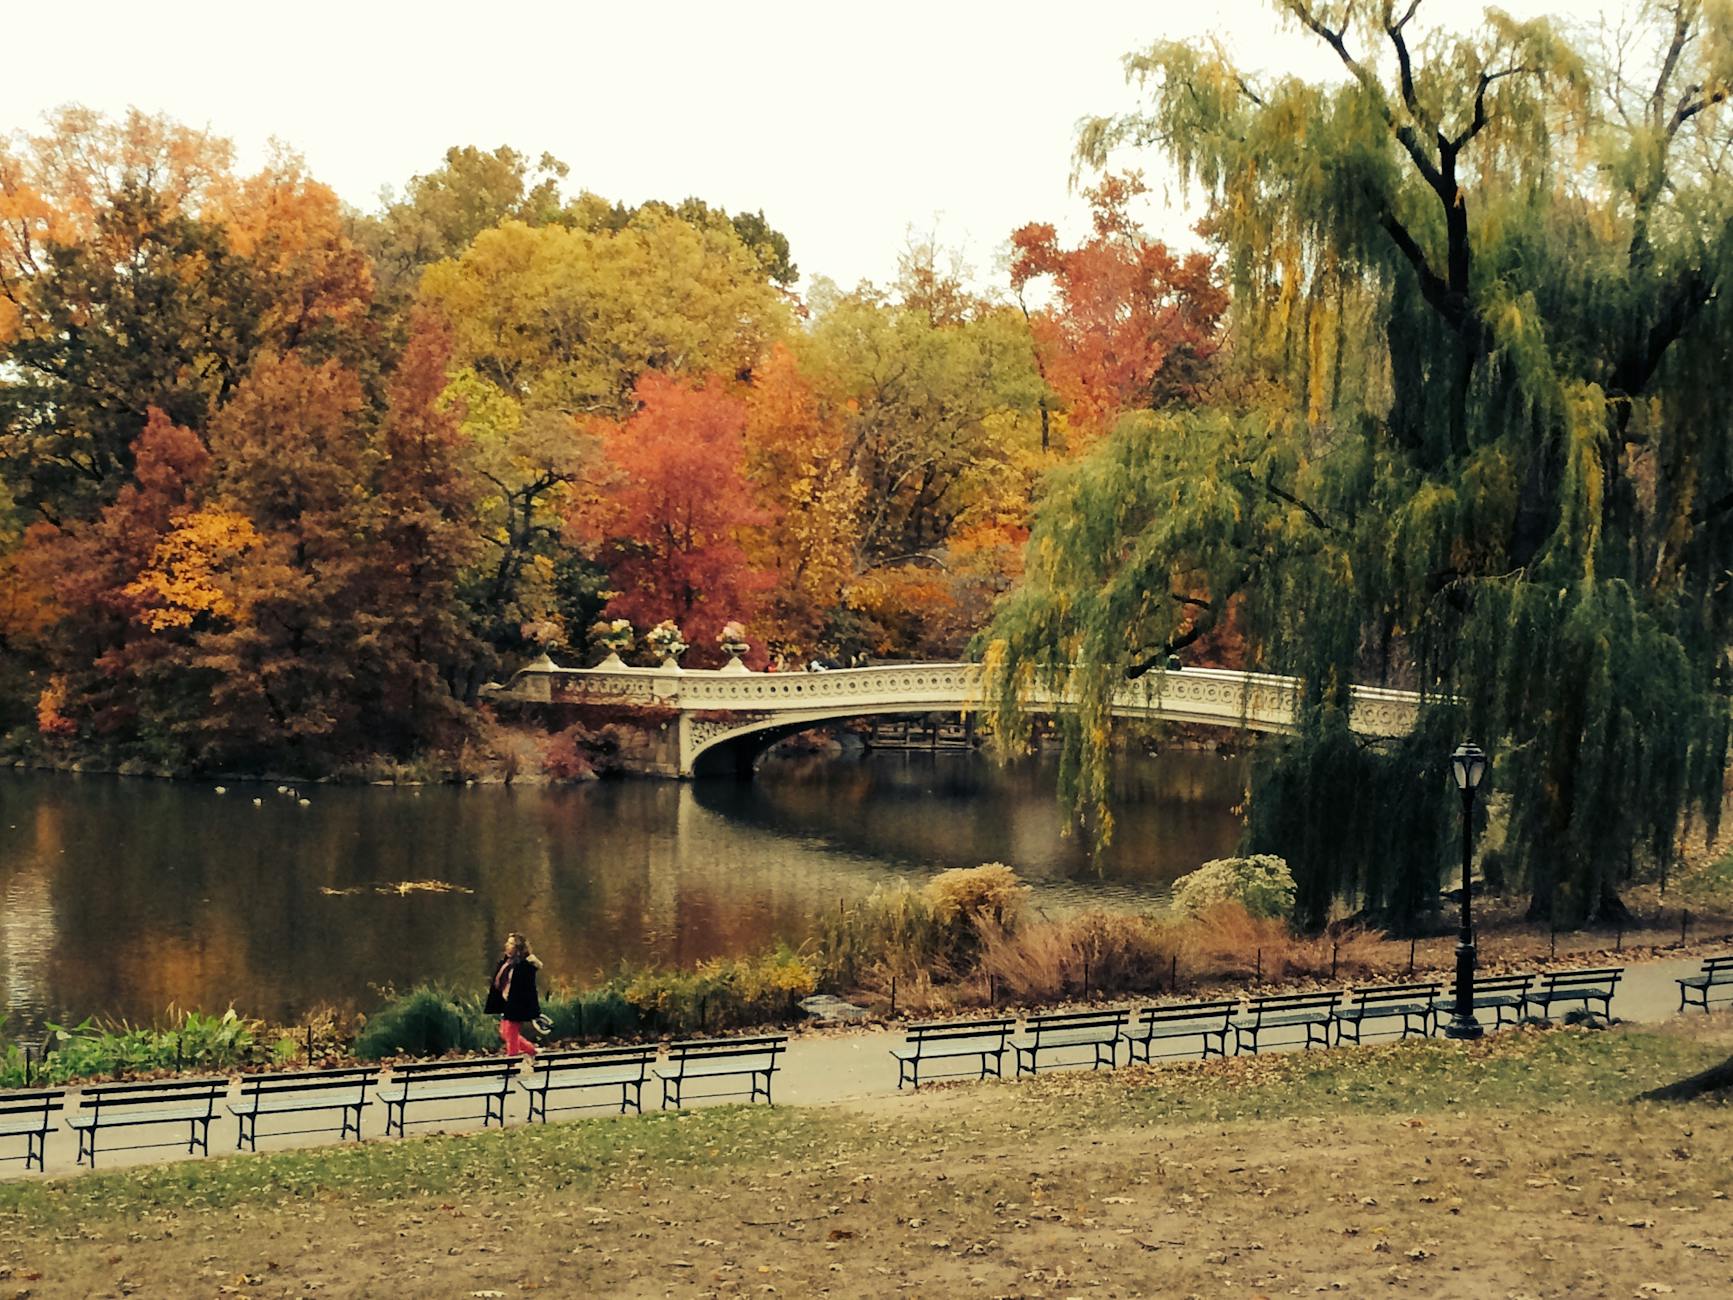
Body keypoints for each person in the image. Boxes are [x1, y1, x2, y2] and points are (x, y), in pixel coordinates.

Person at [485, 932, 542, 1057]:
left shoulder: (524, 966)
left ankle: (512, 1063)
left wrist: (533, 1011)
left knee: (511, 1035)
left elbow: (530, 989)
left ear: (518, 948)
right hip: (507, 1003)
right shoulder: (506, 962)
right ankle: (531, 1050)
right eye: (508, 942)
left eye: (511, 943)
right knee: (504, 1032)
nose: (507, 945)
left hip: (517, 1005)